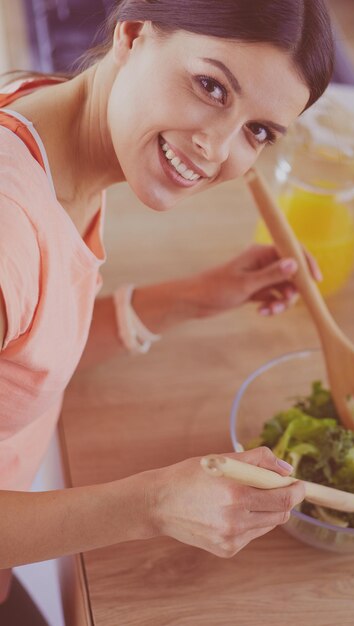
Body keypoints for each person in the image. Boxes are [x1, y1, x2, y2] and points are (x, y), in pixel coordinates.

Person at [0, 0, 334, 620]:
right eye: (211, 86)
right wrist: (152, 503)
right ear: (133, 34)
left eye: (258, 130)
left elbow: (26, 355)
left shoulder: (48, 111)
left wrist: (194, 296)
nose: (216, 147)